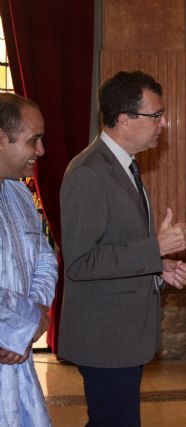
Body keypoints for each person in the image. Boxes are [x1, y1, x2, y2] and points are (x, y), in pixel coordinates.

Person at [58, 71, 186, 427]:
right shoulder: (89, 172)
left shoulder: (124, 167)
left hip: (122, 335)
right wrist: (154, 248)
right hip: (105, 337)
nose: (163, 123)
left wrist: (158, 267)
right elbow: (81, 262)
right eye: (155, 115)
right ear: (124, 119)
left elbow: (114, 247)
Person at [0, 93, 57, 426]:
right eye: (33, 140)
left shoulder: (21, 194)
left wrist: (35, 315)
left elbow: (45, 260)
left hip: (17, 364)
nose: (41, 151)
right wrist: (20, 327)